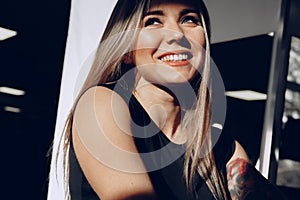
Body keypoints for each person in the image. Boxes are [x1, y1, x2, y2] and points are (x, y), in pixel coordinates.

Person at [57, 0, 285, 199]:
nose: (177, 34)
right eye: (153, 22)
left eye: (189, 19)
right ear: (126, 49)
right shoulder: (100, 104)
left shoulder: (222, 148)